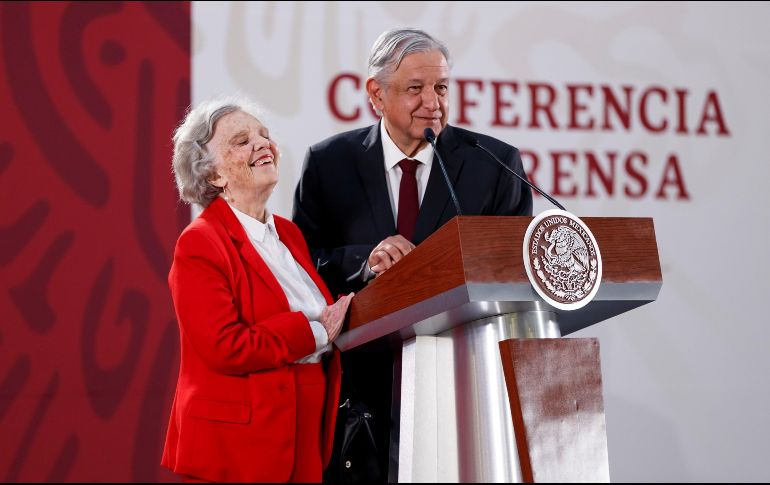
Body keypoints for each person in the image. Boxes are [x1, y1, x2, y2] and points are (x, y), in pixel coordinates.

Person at [292, 28, 533, 480]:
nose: (433, 103)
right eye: (415, 89)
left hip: (464, 390)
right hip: (359, 399)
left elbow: (514, 273)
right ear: (376, 94)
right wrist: (365, 263)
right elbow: (301, 270)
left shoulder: (493, 164)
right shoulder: (329, 164)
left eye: (441, 87)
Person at [161, 96, 354, 483]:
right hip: (239, 447)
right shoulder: (200, 242)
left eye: (265, 135)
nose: (263, 144)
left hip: (305, 437)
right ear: (214, 175)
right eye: (242, 140)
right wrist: (317, 332)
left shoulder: (289, 232)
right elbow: (225, 346)